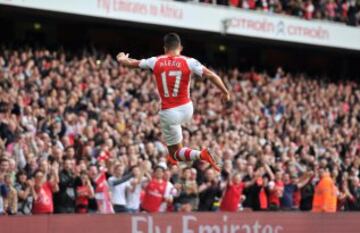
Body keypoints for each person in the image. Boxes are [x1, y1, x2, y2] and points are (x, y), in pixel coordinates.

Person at [116, 32, 231, 172]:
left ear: (165, 48)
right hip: (187, 109)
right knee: (177, 146)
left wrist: (122, 58)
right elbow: (211, 75)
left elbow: (130, 63)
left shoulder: (155, 61)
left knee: (175, 154)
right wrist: (225, 91)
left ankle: (200, 154)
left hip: (169, 113)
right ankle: (178, 155)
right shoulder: (189, 61)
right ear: (180, 47)